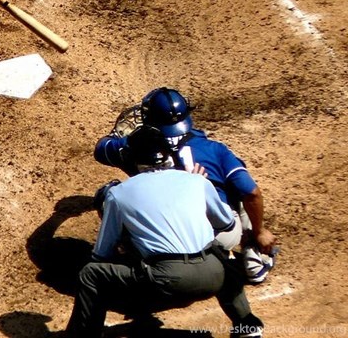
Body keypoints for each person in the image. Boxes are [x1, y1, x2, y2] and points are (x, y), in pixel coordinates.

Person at [67, 125, 264, 338]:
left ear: (133, 157)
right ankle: (247, 325)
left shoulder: (118, 193)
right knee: (220, 253)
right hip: (213, 276)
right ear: (167, 154)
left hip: (167, 283)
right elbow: (226, 224)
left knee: (91, 274)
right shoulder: (197, 181)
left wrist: (131, 246)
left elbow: (101, 255)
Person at [93, 87, 278, 283]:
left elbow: (100, 149)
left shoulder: (133, 148)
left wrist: (118, 137)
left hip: (164, 239)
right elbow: (252, 193)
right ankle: (254, 259)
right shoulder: (214, 149)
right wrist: (259, 231)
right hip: (220, 236)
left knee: (108, 195)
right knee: (237, 188)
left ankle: (128, 259)